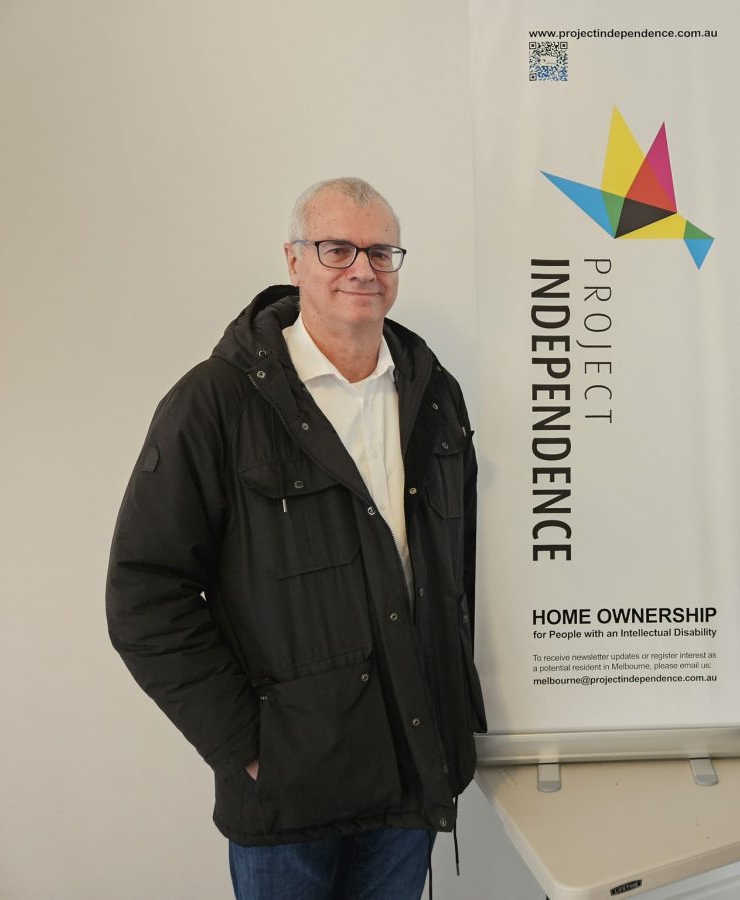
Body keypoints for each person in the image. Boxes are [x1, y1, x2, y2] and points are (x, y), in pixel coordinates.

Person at [106, 177, 484, 900]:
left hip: (414, 769)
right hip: (291, 793)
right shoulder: (216, 402)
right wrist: (245, 746)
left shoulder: (434, 394)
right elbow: (143, 593)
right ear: (294, 259)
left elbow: (457, 573)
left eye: (380, 252)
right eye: (336, 248)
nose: (362, 270)